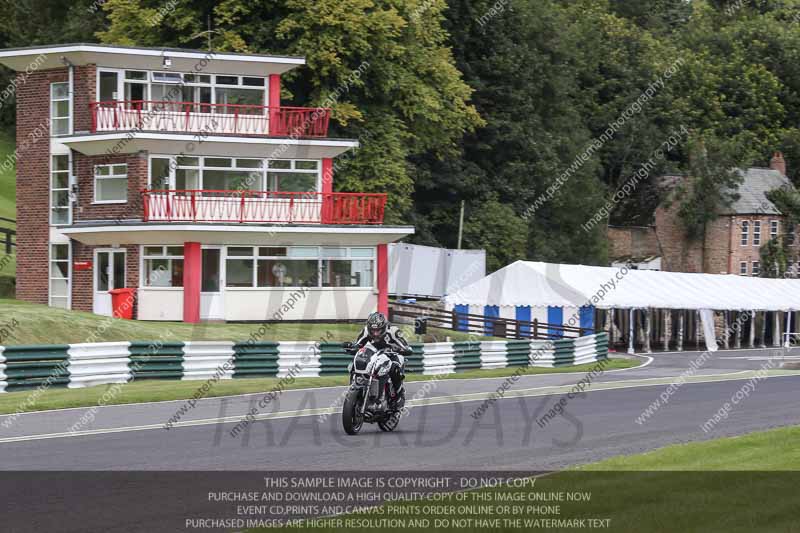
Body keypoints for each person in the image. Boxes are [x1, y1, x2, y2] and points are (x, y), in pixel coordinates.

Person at [348, 311, 412, 401]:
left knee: (394, 368)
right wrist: (352, 347)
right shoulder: (366, 330)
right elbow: (358, 344)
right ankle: (355, 387)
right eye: (373, 330)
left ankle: (398, 394)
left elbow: (405, 345)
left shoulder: (393, 331)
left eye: (378, 330)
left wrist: (405, 349)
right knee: (356, 362)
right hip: (374, 354)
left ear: (384, 327)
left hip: (391, 354)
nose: (375, 334)